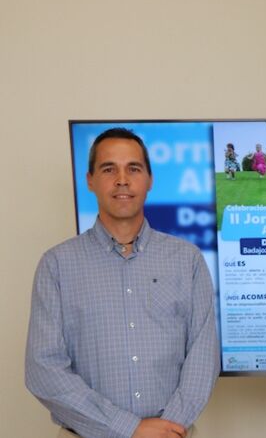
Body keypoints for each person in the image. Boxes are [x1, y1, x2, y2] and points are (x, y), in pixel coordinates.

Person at [25, 128, 220, 438]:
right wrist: (130, 429)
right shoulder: (57, 265)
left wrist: (165, 429)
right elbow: (43, 369)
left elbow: (203, 356)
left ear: (149, 179)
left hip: (171, 433)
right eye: (108, 169)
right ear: (90, 180)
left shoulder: (187, 260)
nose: (122, 180)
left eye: (133, 168)